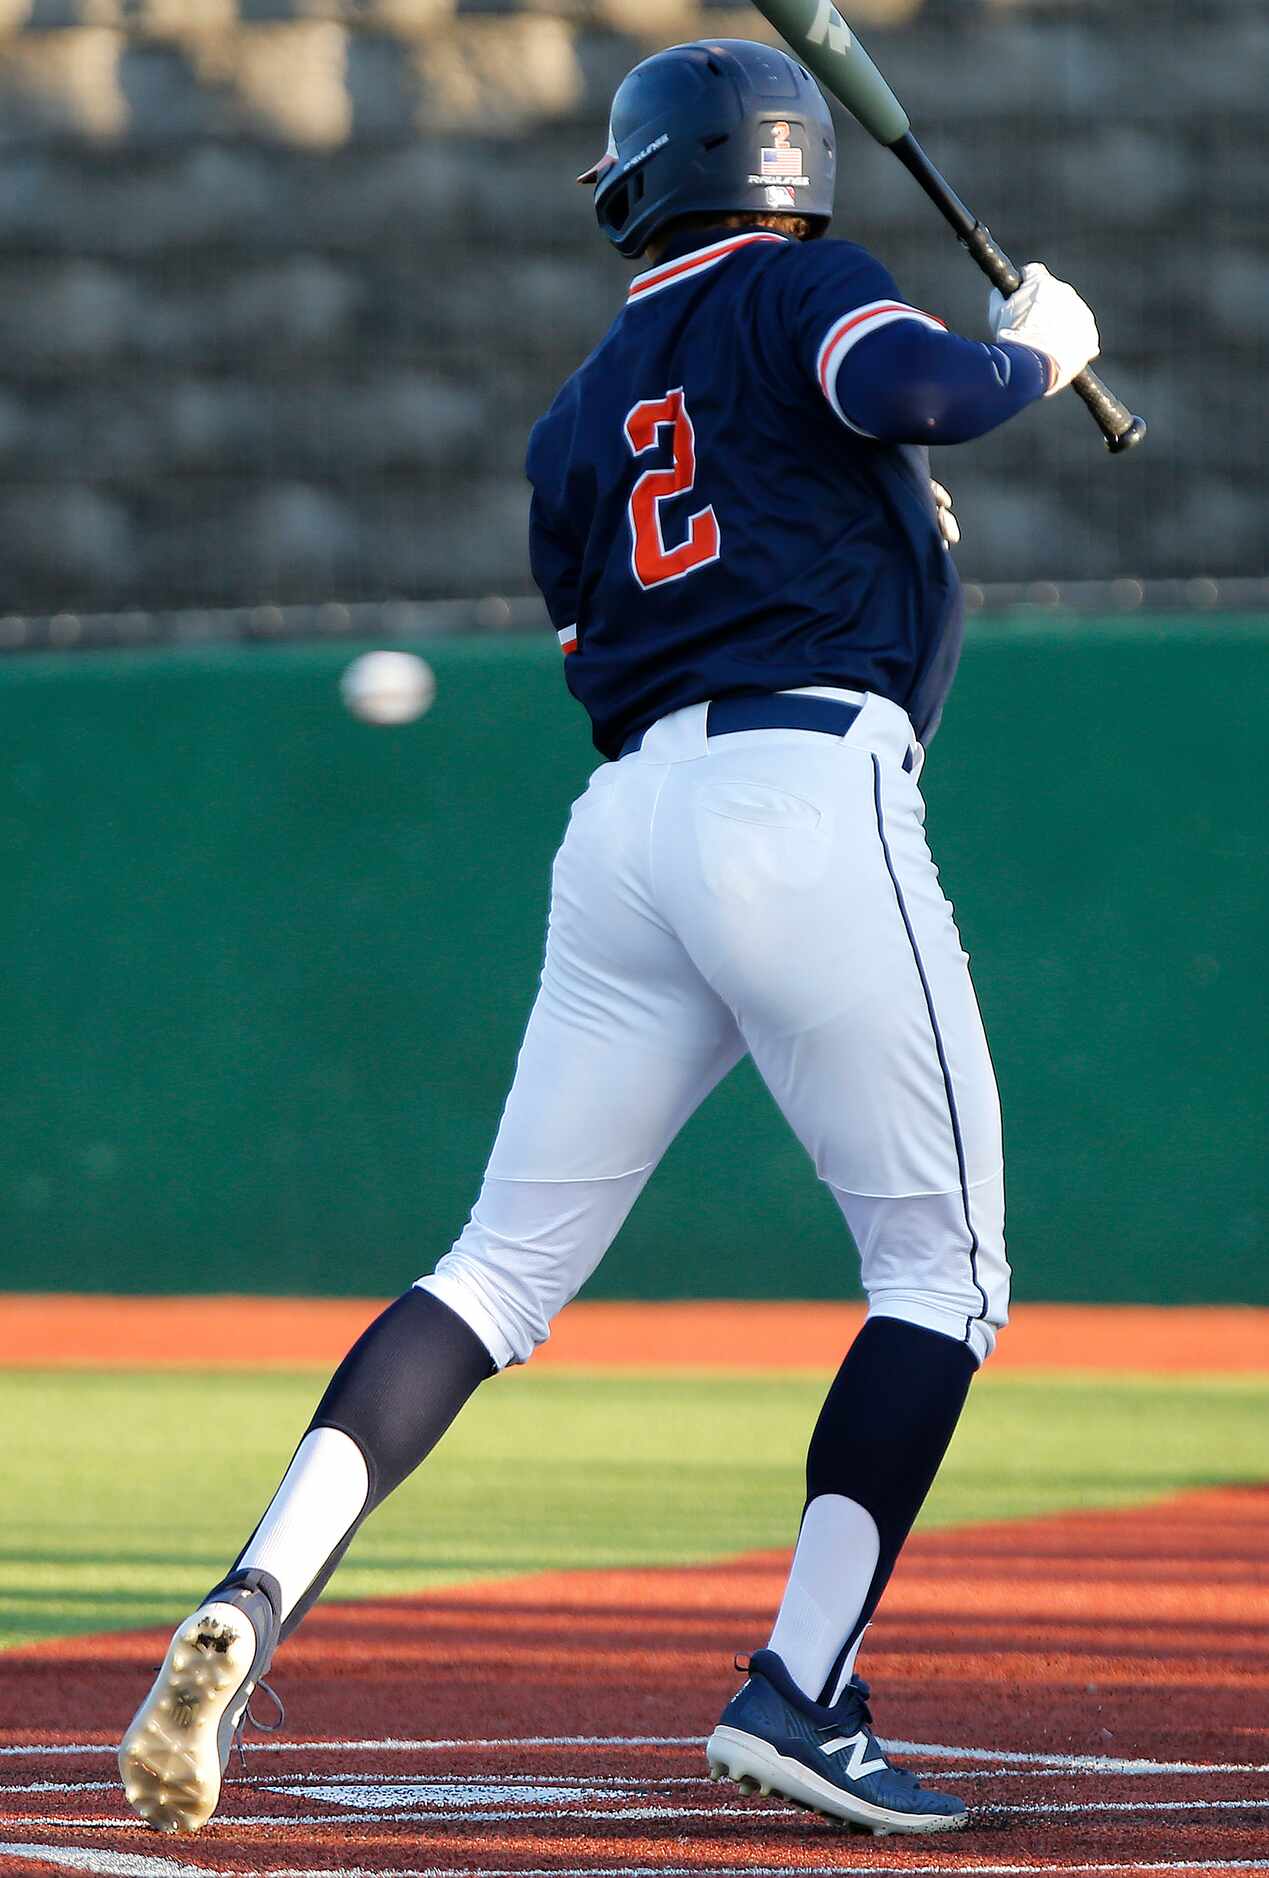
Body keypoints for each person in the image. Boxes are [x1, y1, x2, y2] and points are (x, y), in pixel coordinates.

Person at [118, 37, 1102, 1840]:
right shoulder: (809, 279)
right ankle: (799, 1688)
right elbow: (928, 393)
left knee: (492, 1275)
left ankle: (251, 1597)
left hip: (630, 825)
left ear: (641, 182)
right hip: (801, 795)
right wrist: (1039, 346)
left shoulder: (578, 412)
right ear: (790, 170)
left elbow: (629, 637)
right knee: (941, 1278)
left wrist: (901, 549)